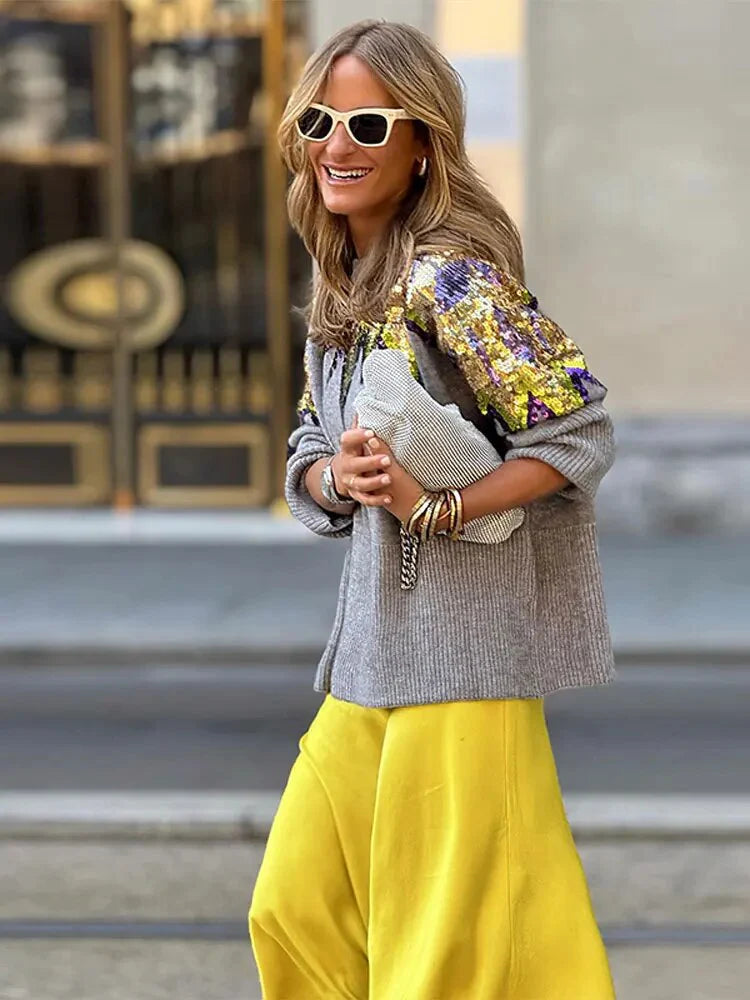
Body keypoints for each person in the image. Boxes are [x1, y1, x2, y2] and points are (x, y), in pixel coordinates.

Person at [249, 18, 617, 1000]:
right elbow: (308, 451)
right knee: (294, 908)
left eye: (370, 125)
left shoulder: (454, 280)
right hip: (368, 661)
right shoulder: (344, 287)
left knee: (437, 959)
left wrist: (437, 505)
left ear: (423, 146)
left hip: (462, 664)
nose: (337, 144)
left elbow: (578, 434)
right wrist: (340, 480)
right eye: (320, 121)